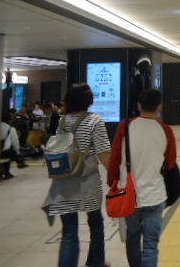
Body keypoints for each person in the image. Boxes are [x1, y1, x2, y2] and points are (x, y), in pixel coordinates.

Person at [42, 84, 112, 267]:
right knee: (96, 223)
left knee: (69, 229)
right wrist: (115, 176)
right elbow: (104, 153)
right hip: (87, 183)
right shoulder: (95, 121)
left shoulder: (62, 122)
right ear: (89, 100)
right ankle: (96, 262)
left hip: (64, 183)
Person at [108, 89, 177, 267]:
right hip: (155, 196)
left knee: (132, 237)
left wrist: (113, 184)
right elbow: (170, 164)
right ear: (160, 107)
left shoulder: (125, 126)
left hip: (129, 196)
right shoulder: (166, 130)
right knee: (151, 245)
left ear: (139, 106)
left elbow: (114, 160)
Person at [0, 110, 21, 180]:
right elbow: (15, 143)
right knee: (12, 151)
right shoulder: (11, 129)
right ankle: (6, 172)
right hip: (5, 153)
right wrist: (18, 152)